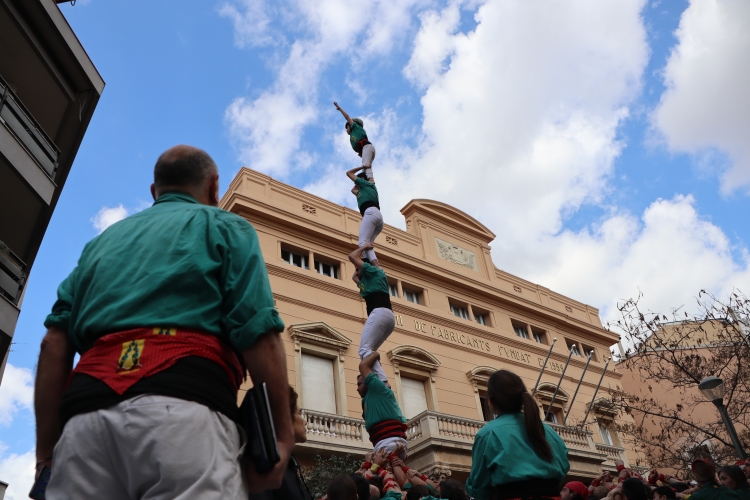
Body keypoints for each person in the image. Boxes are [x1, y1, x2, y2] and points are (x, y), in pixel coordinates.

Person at [35, 145, 294, 498]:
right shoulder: (227, 227)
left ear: (155, 192)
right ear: (215, 187)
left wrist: (46, 455)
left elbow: (53, 343)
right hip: (187, 417)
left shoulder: (100, 244)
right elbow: (259, 333)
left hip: (84, 426)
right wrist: (281, 433)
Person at [465, 369, 570, 500]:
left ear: (491, 401)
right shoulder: (548, 431)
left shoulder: (488, 433)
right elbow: (563, 465)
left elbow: (479, 486)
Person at [249, 386, 314, 500]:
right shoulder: (267, 466)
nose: (305, 421)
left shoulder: (287, 464)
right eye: (299, 413)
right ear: (285, 417)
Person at [349, 242, 395, 383]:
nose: (356, 272)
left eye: (358, 268)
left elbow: (351, 256)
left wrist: (364, 248)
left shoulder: (375, 272)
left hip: (380, 313)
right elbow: (354, 278)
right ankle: (377, 378)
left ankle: (383, 381)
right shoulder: (367, 283)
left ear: (366, 268)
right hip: (387, 317)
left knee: (364, 350)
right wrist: (363, 264)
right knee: (369, 354)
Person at [357, 352, 408, 456]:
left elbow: (363, 366)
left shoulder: (377, 389)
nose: (357, 388)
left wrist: (372, 353)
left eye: (359, 384)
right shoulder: (368, 399)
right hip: (385, 443)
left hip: (388, 443)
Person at [347, 166, 383, 265]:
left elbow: (349, 173)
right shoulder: (363, 191)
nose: (356, 183)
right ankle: (370, 264)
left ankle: (377, 267)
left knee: (362, 243)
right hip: (377, 216)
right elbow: (353, 190)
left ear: (362, 180)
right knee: (366, 246)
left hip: (371, 213)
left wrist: (364, 167)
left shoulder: (366, 184)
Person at [335, 102, 376, 181]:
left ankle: (371, 180)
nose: (346, 130)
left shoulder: (356, 128)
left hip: (367, 147)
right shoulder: (353, 134)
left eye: (347, 127)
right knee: (364, 170)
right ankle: (367, 181)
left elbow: (347, 117)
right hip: (367, 149)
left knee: (365, 165)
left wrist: (339, 108)